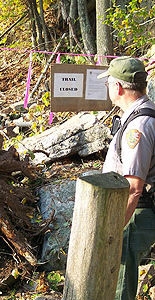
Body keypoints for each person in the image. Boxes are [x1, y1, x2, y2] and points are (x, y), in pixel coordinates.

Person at [98, 56, 155, 300]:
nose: (108, 87)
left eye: (109, 82)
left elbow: (133, 187)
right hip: (141, 207)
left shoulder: (138, 127)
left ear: (118, 87)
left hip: (140, 210)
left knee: (120, 264)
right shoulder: (143, 113)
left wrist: (115, 226)